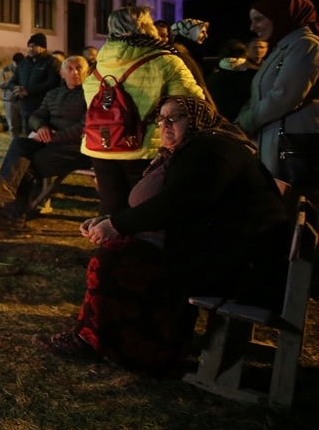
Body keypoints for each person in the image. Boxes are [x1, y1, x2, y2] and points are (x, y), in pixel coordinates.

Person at [37, 96, 290, 378]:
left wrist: (118, 225)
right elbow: (165, 203)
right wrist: (112, 221)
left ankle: (146, 353)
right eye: (161, 118)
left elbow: (180, 202)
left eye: (175, 117)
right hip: (213, 249)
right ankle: (92, 337)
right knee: (119, 251)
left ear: (197, 119)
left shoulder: (212, 149)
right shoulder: (190, 149)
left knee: (114, 259)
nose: (165, 124)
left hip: (240, 264)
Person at [81, 6, 205, 215]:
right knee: (145, 210)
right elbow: (193, 103)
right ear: (147, 27)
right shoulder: (166, 60)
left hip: (100, 145)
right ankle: (140, 246)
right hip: (145, 147)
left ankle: (109, 245)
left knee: (111, 208)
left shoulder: (99, 64)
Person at [0, 56, 92, 218]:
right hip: (50, 144)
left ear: (88, 71)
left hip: (76, 148)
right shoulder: (53, 94)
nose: (75, 72)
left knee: (24, 167)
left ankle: (13, 215)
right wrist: (41, 127)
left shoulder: (93, 95)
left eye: (79, 68)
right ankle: (3, 185)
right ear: (62, 73)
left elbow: (85, 126)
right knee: (19, 143)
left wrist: (52, 138)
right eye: (70, 69)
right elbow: (36, 115)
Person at [235, 0, 319, 186]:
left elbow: (284, 97)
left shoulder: (306, 45)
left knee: (297, 206)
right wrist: (239, 122)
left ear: (282, 16)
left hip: (294, 147)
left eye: (259, 20)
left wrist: (246, 122)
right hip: (276, 143)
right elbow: (259, 96)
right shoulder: (283, 48)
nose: (252, 27)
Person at [205, 40, 260, 122]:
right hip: (247, 121)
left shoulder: (213, 77)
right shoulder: (255, 75)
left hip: (220, 121)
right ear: (246, 54)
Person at [12, 33, 62, 120]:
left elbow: (53, 82)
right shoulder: (23, 64)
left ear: (43, 48)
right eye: (29, 46)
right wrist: (17, 89)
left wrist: (29, 91)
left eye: (34, 46)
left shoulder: (52, 62)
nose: (31, 48)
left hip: (43, 107)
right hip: (25, 107)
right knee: (28, 132)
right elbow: (12, 81)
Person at [169, 18, 213, 103]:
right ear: (187, 32)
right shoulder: (181, 55)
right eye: (202, 32)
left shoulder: (192, 51)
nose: (206, 35)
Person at [0, 52, 25, 135]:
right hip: (9, 101)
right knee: (12, 125)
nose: (19, 66)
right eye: (17, 64)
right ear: (13, 62)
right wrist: (10, 83)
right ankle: (14, 142)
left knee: (24, 124)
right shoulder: (5, 71)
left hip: (21, 100)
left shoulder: (25, 70)